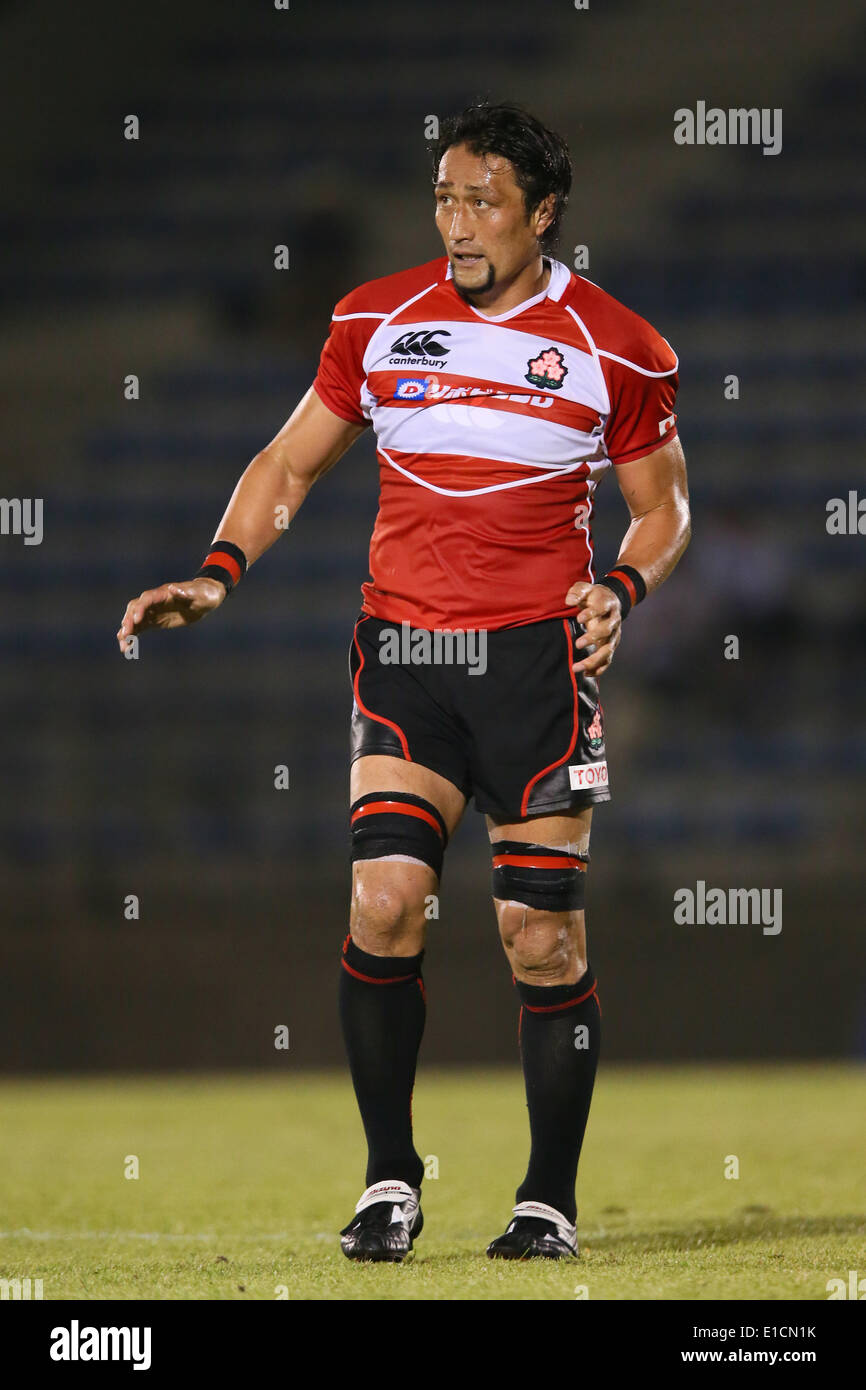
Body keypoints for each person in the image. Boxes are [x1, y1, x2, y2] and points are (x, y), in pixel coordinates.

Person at [117, 101, 691, 1263]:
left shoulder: (616, 344)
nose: (458, 220)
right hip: (408, 659)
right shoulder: (374, 319)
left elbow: (662, 506)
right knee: (381, 904)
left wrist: (618, 589)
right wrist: (222, 571)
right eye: (443, 196)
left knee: (539, 939)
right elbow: (290, 459)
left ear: (541, 213)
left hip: (536, 669)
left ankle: (546, 1201)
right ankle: (389, 1183)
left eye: (482, 200)